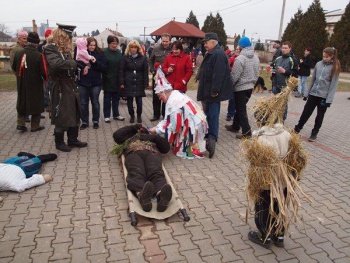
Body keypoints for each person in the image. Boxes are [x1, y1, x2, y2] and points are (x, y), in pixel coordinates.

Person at [244, 77, 309, 249]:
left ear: (261, 120)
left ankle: (264, 235)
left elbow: (254, 161)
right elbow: (297, 156)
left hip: (266, 181)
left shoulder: (260, 139)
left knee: (263, 205)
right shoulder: (286, 134)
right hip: (285, 179)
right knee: (280, 204)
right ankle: (279, 235)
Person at [44, 23, 88, 152]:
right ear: (60, 36)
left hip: (71, 84)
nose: (69, 39)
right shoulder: (50, 48)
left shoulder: (65, 49)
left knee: (75, 112)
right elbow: (57, 64)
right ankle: (59, 142)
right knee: (62, 114)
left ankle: (72, 139)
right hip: (60, 86)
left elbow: (69, 65)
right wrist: (74, 64)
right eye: (67, 36)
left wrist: (79, 67)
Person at [149, 68, 208, 159]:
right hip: (195, 120)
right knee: (178, 143)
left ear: (164, 92)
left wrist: (157, 130)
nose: (159, 99)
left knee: (181, 151)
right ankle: (201, 144)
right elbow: (167, 119)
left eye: (159, 96)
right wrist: (157, 127)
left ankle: (206, 145)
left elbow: (174, 125)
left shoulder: (173, 102)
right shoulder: (174, 94)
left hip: (194, 124)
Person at [112, 124, 172, 212]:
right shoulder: (129, 138)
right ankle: (142, 196)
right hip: (133, 153)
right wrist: (135, 127)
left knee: (156, 172)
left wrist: (155, 137)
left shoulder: (153, 138)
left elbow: (166, 148)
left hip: (152, 153)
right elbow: (117, 135)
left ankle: (161, 195)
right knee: (136, 172)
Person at [196, 32, 233, 158]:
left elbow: (218, 74)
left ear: (213, 41)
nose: (205, 45)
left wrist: (215, 90)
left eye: (206, 42)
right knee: (208, 114)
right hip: (208, 90)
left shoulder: (218, 54)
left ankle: (212, 137)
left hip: (213, 92)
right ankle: (208, 134)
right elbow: (205, 69)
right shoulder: (212, 53)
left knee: (213, 114)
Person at [294, 47, 340, 142]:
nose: (324, 58)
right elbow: (313, 80)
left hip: (323, 97)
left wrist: (329, 100)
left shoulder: (335, 66)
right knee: (306, 112)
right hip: (313, 94)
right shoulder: (318, 64)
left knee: (320, 115)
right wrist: (307, 93)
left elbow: (333, 85)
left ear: (331, 56)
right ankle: (298, 128)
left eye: (326, 57)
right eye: (323, 56)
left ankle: (314, 132)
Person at [12, 32, 47, 133]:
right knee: (36, 102)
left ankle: (20, 123)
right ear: (36, 43)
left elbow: (14, 67)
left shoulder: (19, 53)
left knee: (22, 100)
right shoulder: (39, 55)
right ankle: (35, 126)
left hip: (21, 81)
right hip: (35, 83)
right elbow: (44, 71)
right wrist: (45, 79)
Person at [227, 37, 259, 139]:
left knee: (241, 110)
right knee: (240, 107)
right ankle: (235, 126)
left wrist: (230, 86)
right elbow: (257, 73)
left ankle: (247, 132)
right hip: (250, 87)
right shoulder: (256, 58)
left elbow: (235, 75)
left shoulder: (240, 59)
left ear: (240, 46)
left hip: (240, 88)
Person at [76, 37, 107, 130]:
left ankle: (96, 121)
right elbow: (76, 62)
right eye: (90, 45)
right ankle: (84, 121)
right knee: (83, 103)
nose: (92, 47)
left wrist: (95, 62)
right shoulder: (80, 51)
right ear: (86, 45)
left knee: (95, 102)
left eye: (94, 45)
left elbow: (104, 67)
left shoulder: (100, 53)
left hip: (95, 82)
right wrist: (83, 66)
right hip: (83, 82)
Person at [119, 40, 149, 124]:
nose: (133, 49)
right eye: (131, 47)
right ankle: (131, 115)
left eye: (135, 47)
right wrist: (121, 82)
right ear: (129, 48)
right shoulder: (125, 58)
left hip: (139, 81)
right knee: (129, 101)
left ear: (138, 48)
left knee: (139, 101)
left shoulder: (143, 58)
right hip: (128, 81)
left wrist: (145, 83)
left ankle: (139, 115)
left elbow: (145, 71)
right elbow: (121, 70)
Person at [271, 41, 298, 120]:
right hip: (275, 85)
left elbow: (295, 74)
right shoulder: (278, 58)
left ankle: (282, 120)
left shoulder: (292, 59)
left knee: (283, 104)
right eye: (283, 48)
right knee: (275, 102)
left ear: (290, 49)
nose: (283, 50)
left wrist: (285, 72)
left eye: (286, 48)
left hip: (285, 86)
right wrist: (272, 74)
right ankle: (273, 118)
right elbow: (274, 69)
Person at [149, 33, 172, 121]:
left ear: (170, 41)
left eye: (166, 41)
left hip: (168, 77)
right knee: (156, 96)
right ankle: (156, 114)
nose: (165, 43)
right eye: (163, 41)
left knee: (166, 96)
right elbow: (150, 61)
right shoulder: (156, 49)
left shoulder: (172, 50)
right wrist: (152, 69)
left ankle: (164, 114)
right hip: (157, 77)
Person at [102, 35, 125, 123]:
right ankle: (107, 116)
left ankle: (116, 114)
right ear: (108, 43)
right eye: (112, 43)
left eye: (116, 43)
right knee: (107, 98)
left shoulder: (119, 52)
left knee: (116, 98)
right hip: (107, 79)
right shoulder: (104, 52)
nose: (114, 45)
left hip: (117, 79)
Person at [39, 29, 53, 113]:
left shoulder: (55, 46)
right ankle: (47, 104)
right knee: (45, 89)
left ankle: (52, 104)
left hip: (52, 71)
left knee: (52, 89)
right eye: (48, 36)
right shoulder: (41, 47)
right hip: (44, 71)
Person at [226, 46, 242, 121]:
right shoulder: (232, 58)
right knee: (232, 99)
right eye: (236, 49)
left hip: (241, 83)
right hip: (233, 81)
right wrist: (232, 69)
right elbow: (227, 66)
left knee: (238, 100)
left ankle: (236, 115)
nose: (237, 50)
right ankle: (230, 114)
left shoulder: (243, 59)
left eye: (239, 49)